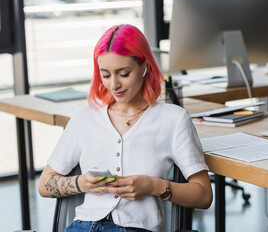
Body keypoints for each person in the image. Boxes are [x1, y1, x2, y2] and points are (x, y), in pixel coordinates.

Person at [38, 24, 212, 232]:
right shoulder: (84, 116)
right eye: (106, 74)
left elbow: (203, 195)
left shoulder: (173, 119)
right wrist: (81, 183)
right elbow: (44, 184)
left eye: (123, 73)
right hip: (81, 226)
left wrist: (153, 186)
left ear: (144, 66)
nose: (114, 85)